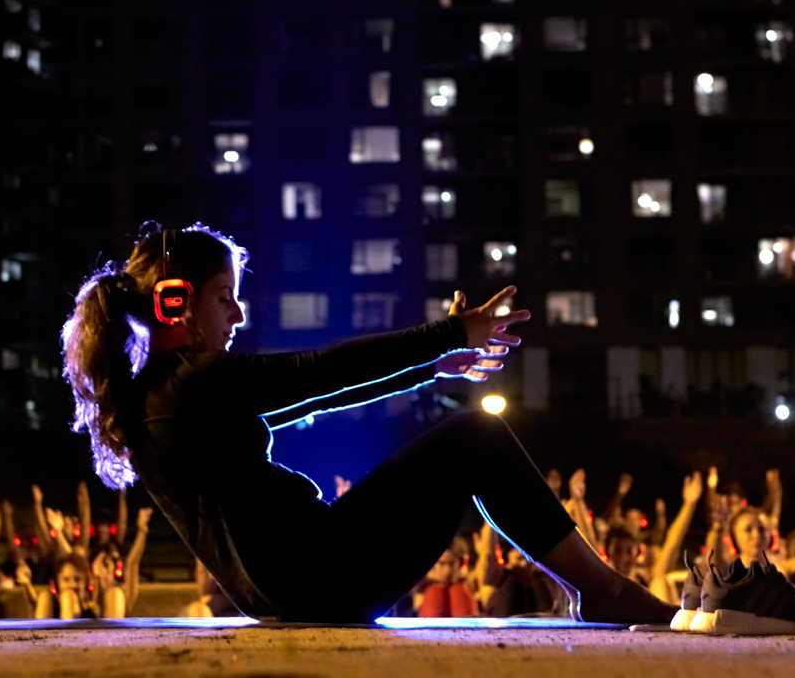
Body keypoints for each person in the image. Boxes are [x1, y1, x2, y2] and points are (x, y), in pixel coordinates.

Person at [61, 222, 677, 624]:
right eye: (225, 296)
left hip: (295, 586)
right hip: (322, 575)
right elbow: (320, 371)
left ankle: (593, 588)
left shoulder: (162, 398)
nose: (238, 313)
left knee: (469, 438)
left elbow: (316, 397)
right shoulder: (190, 384)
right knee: (475, 437)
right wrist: (449, 332)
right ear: (176, 301)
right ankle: (603, 590)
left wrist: (436, 366)